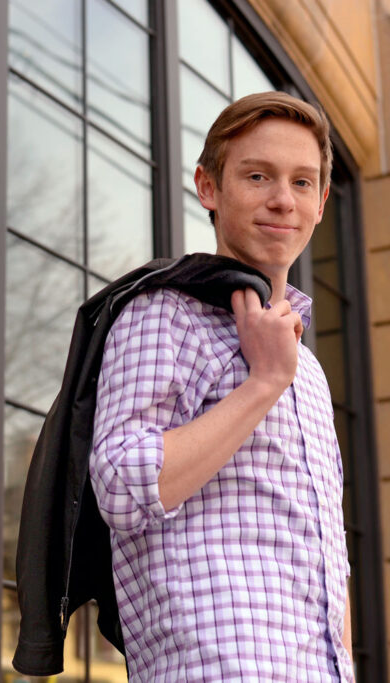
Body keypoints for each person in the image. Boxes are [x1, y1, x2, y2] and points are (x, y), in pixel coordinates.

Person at [88, 91, 353, 680]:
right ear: (209, 187)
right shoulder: (165, 315)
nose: (283, 200)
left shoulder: (305, 369)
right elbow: (122, 485)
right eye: (258, 175)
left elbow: (328, 551)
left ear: (321, 202)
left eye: (303, 183)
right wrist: (263, 383)